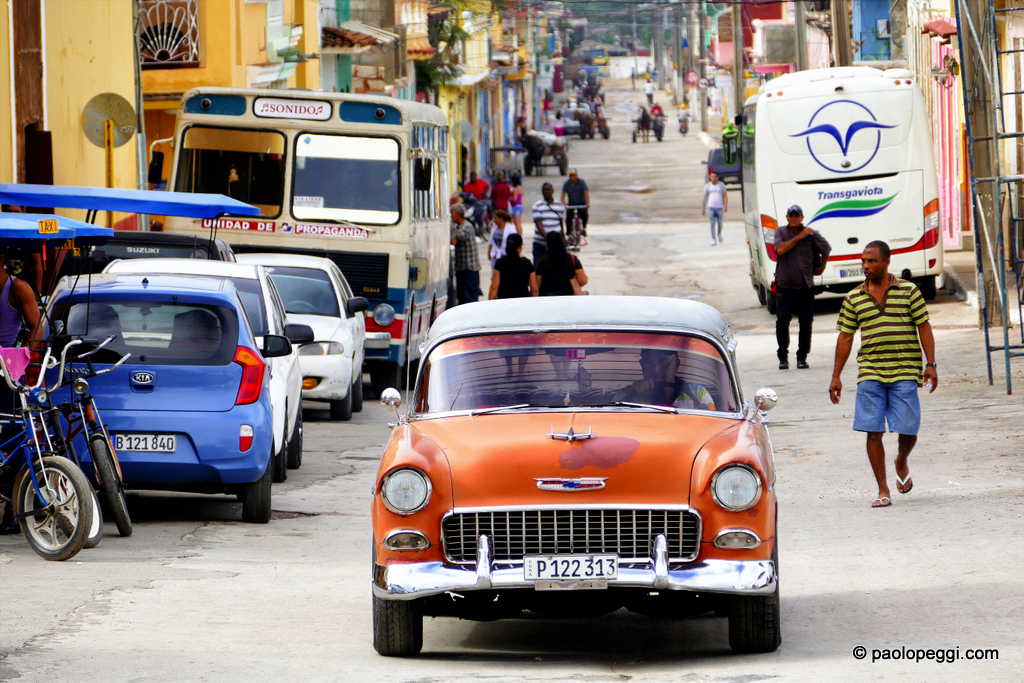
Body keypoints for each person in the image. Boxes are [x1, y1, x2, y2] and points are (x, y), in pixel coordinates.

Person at [829, 241, 937, 509]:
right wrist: (836, 376)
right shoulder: (854, 297)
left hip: (905, 370)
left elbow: (924, 327)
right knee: (873, 432)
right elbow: (845, 338)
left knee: (908, 429)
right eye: (863, 261)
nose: (865, 266)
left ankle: (901, 459)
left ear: (886, 262)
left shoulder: (909, 291)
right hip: (870, 371)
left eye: (871, 261)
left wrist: (931, 363)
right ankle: (882, 488)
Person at [774, 205, 832, 370]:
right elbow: (780, 250)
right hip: (785, 285)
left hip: (806, 285)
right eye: (790, 215)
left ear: (801, 217)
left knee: (806, 322)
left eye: (796, 216)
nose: (793, 218)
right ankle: (783, 358)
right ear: (787, 217)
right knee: (783, 320)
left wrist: (822, 267)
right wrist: (799, 237)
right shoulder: (780, 232)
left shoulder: (811, 233)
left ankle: (802, 357)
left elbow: (826, 249)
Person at [615, 349, 717, 410]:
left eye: (663, 362)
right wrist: (630, 397)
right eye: (649, 362)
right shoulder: (624, 394)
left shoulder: (700, 394)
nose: (656, 369)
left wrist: (705, 416)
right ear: (642, 365)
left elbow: (715, 429)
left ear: (676, 365)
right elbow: (612, 425)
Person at [535, 231, 587, 296]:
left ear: (547, 245)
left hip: (547, 297)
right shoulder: (572, 259)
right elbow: (583, 280)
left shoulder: (542, 261)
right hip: (568, 297)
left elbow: (536, 285)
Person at [489, 233, 538, 300]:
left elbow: (494, 287)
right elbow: (534, 289)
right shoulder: (527, 263)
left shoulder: (500, 263)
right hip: (523, 301)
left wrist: (490, 302)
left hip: (504, 301)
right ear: (520, 247)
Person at [450, 204, 481, 305]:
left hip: (469, 268)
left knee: (470, 297)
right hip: (461, 268)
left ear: (458, 214)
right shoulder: (458, 227)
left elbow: (454, 240)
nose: (451, 217)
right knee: (462, 297)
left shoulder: (467, 227)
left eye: (452, 215)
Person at [530, 182, 565, 264]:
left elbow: (560, 223)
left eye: (548, 189)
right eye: (544, 190)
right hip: (540, 244)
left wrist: (563, 239)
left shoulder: (559, 206)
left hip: (555, 245)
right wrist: (549, 239)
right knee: (537, 268)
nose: (546, 191)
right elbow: (539, 224)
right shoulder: (537, 206)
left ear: (552, 191)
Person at [560, 169, 590, 239]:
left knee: (584, 214)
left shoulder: (581, 182)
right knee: (568, 218)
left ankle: (584, 228)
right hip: (571, 203)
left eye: (574, 176)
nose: (572, 177)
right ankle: (569, 234)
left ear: (576, 176)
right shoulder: (566, 183)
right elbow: (563, 195)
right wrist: (564, 204)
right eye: (571, 176)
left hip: (581, 202)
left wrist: (587, 203)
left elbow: (586, 193)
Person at [702, 170, 728, 246]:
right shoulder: (708, 186)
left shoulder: (721, 185)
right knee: (712, 224)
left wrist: (725, 205)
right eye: (712, 176)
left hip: (719, 207)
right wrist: (703, 208)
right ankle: (713, 239)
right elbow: (705, 197)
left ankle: (719, 234)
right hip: (711, 207)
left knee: (720, 223)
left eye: (715, 177)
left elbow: (725, 195)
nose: (713, 178)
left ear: (717, 177)